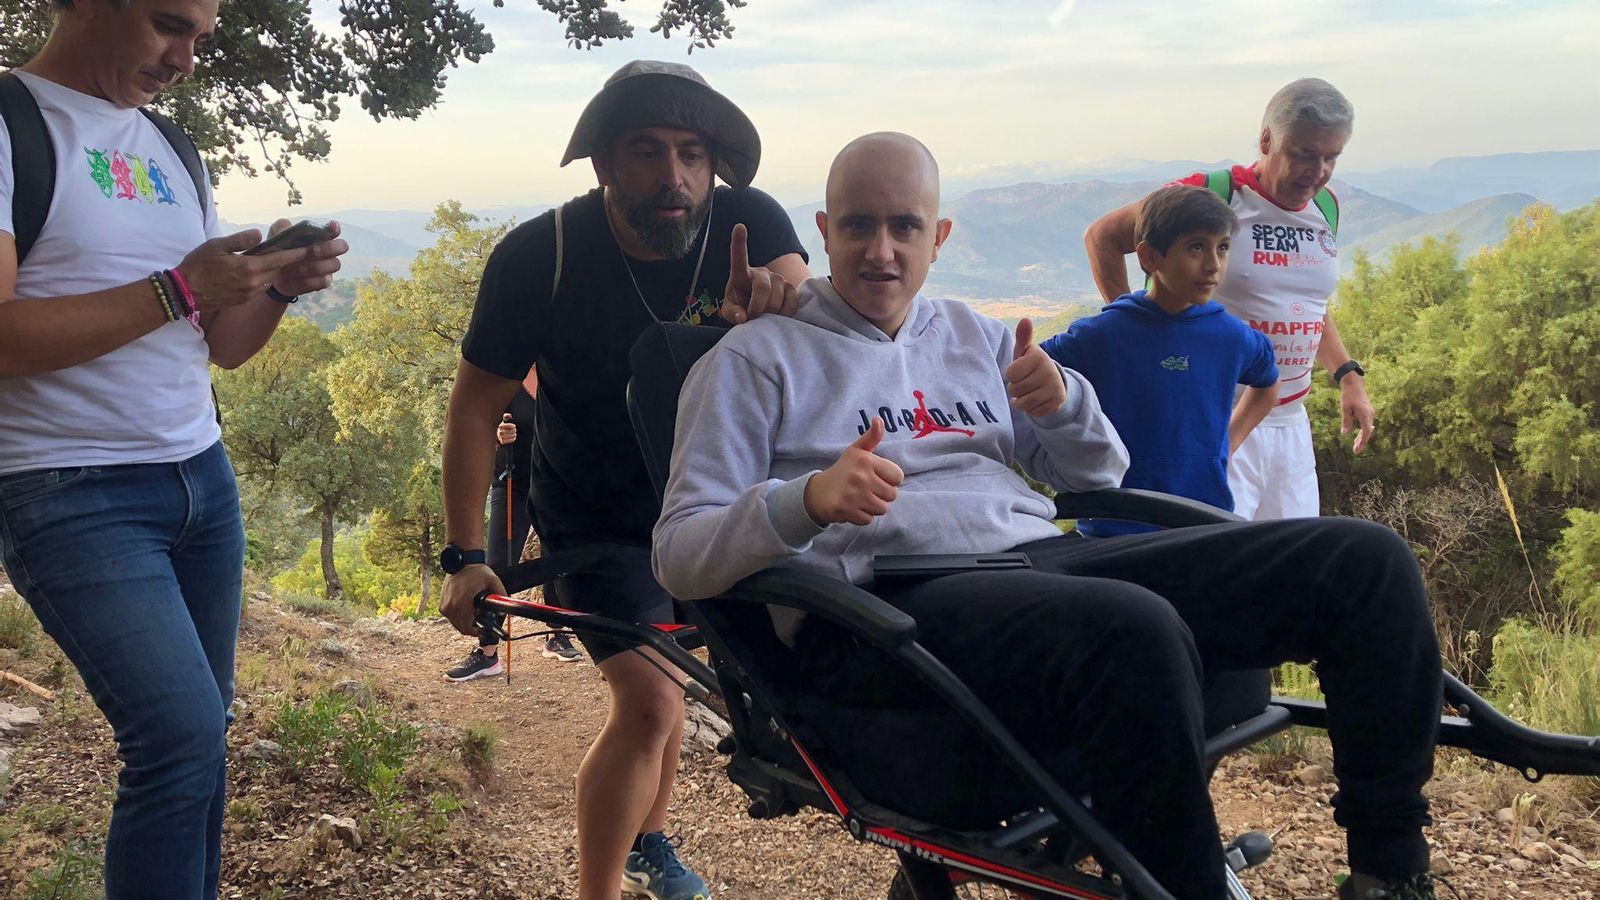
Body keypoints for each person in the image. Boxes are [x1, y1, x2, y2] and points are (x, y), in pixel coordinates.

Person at [653, 132, 1444, 900]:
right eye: (859, 225)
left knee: (1364, 563)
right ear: (825, 232)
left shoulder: (975, 336)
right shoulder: (756, 359)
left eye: (906, 227)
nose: (881, 251)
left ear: (941, 237)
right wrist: (805, 503)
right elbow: (680, 554)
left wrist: (1064, 404)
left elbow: (1098, 473)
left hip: (1038, 562)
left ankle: (1390, 871)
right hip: (885, 605)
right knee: (1128, 625)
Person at [438, 61, 810, 900]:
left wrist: (784, 306)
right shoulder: (542, 255)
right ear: (605, 163)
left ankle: (650, 841)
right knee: (648, 701)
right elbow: (473, 409)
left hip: (724, 506)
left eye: (691, 153)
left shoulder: (747, 221)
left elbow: (798, 292)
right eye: (647, 151)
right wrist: (464, 553)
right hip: (600, 518)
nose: (674, 177)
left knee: (671, 694)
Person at [0, 0, 348, 897]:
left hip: (201, 479)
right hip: (68, 489)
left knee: (204, 737)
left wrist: (274, 286)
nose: (187, 57)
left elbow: (219, 343)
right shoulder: (11, 125)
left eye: (202, 36)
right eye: (168, 23)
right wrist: (177, 287)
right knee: (177, 737)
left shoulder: (172, 148)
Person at [1083, 78, 1374, 520]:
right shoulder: (1212, 193)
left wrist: (1347, 374)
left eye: (1330, 157)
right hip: (1206, 416)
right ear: (1266, 140)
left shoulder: (1326, 207)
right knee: (1213, 565)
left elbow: (1306, 301)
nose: (1317, 172)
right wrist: (1134, 332)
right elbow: (1102, 236)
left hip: (1290, 423)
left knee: (1290, 570)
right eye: (1303, 154)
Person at [1041, 184, 1278, 536]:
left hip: (1203, 521)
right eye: (1196, 247)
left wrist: (1228, 441)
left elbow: (1268, 383)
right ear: (1149, 257)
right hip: (1113, 526)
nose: (1213, 265)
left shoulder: (1231, 336)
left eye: (1223, 248)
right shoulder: (1104, 334)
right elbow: (1030, 368)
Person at [446, 370, 582, 682]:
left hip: (556, 486)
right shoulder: (506, 376)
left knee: (556, 561)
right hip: (512, 486)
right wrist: (497, 436)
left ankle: (557, 635)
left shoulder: (560, 373)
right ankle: (488, 652)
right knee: (497, 566)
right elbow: (476, 426)